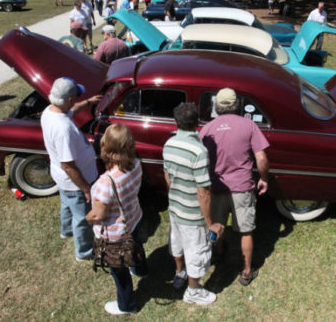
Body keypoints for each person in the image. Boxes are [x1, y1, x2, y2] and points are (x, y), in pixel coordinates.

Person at [199, 88, 269, 286]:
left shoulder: (207, 129)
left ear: (216, 106)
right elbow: (261, 157)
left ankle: (218, 254)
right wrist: (263, 178)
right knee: (246, 231)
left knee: (216, 225)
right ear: (236, 105)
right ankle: (247, 271)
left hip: (216, 187)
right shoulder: (249, 125)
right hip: (243, 188)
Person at [163, 103, 224, 305]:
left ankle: (180, 273)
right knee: (197, 251)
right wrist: (209, 223)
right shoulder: (199, 151)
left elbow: (168, 177)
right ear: (197, 122)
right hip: (193, 215)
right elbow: (203, 192)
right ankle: (193, 291)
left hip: (175, 207)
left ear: (176, 122)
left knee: (177, 244)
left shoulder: (169, 144)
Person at [87, 123, 148, 315]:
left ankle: (127, 305)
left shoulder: (107, 182)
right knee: (136, 244)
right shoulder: (137, 163)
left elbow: (100, 214)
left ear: (106, 147)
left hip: (116, 233)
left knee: (119, 270)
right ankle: (141, 270)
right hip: (134, 216)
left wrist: (87, 217)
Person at [40, 78, 102, 261]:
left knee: (67, 204)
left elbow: (71, 111)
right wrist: (85, 189)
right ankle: (84, 252)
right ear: (67, 100)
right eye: (75, 97)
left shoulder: (50, 112)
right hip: (74, 181)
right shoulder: (63, 128)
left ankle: (65, 231)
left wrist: (89, 102)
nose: (76, 100)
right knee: (82, 217)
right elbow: (68, 165)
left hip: (61, 178)